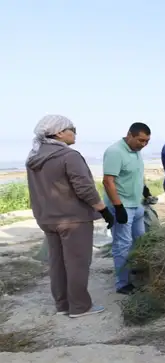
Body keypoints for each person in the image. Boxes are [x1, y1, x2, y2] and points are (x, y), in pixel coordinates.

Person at [26, 115, 114, 318]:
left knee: (56, 263)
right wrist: (103, 209)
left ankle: (62, 305)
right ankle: (80, 307)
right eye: (71, 129)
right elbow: (84, 188)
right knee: (77, 263)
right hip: (73, 219)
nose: (75, 133)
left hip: (47, 218)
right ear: (59, 133)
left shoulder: (33, 157)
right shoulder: (69, 156)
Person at [103, 123, 151, 295]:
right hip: (122, 206)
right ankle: (122, 283)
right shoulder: (115, 152)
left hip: (136, 204)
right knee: (122, 245)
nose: (143, 144)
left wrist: (144, 188)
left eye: (147, 141)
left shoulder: (136, 151)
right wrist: (118, 206)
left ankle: (134, 270)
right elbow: (108, 181)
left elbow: (136, 174)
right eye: (140, 140)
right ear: (129, 135)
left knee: (140, 240)